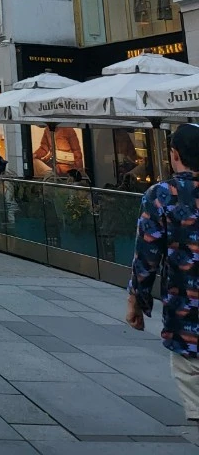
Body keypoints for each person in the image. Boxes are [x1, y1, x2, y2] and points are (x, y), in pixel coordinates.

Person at [127, 122, 199, 430]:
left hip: (188, 321)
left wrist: (137, 301)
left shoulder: (161, 195)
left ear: (174, 154)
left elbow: (147, 256)